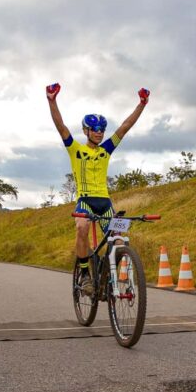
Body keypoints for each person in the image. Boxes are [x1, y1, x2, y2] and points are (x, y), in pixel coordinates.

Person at [46, 82, 149, 294]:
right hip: (85, 201)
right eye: (95, 130)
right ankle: (84, 273)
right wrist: (52, 101)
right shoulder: (76, 150)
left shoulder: (106, 150)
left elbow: (125, 126)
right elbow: (61, 127)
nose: (99, 133)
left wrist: (142, 104)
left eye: (102, 130)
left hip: (105, 203)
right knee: (82, 227)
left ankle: (106, 276)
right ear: (86, 130)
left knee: (120, 240)